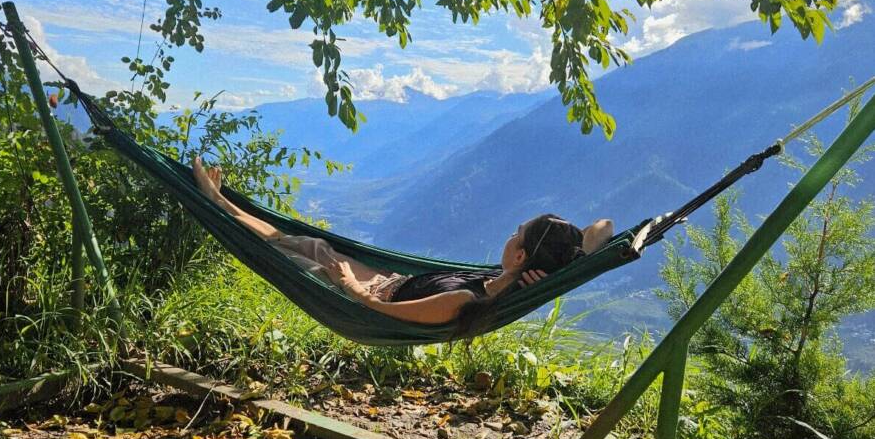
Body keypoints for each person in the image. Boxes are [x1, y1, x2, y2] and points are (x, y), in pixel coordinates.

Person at [192, 156, 613, 335]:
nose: (510, 233)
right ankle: (223, 201)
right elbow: (603, 228)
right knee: (304, 240)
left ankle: (215, 204)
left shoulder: (468, 298)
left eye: (516, 232)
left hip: (362, 296)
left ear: (520, 254)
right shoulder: (508, 281)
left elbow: (387, 313)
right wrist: (575, 259)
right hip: (386, 279)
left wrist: (348, 286)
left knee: (279, 251)